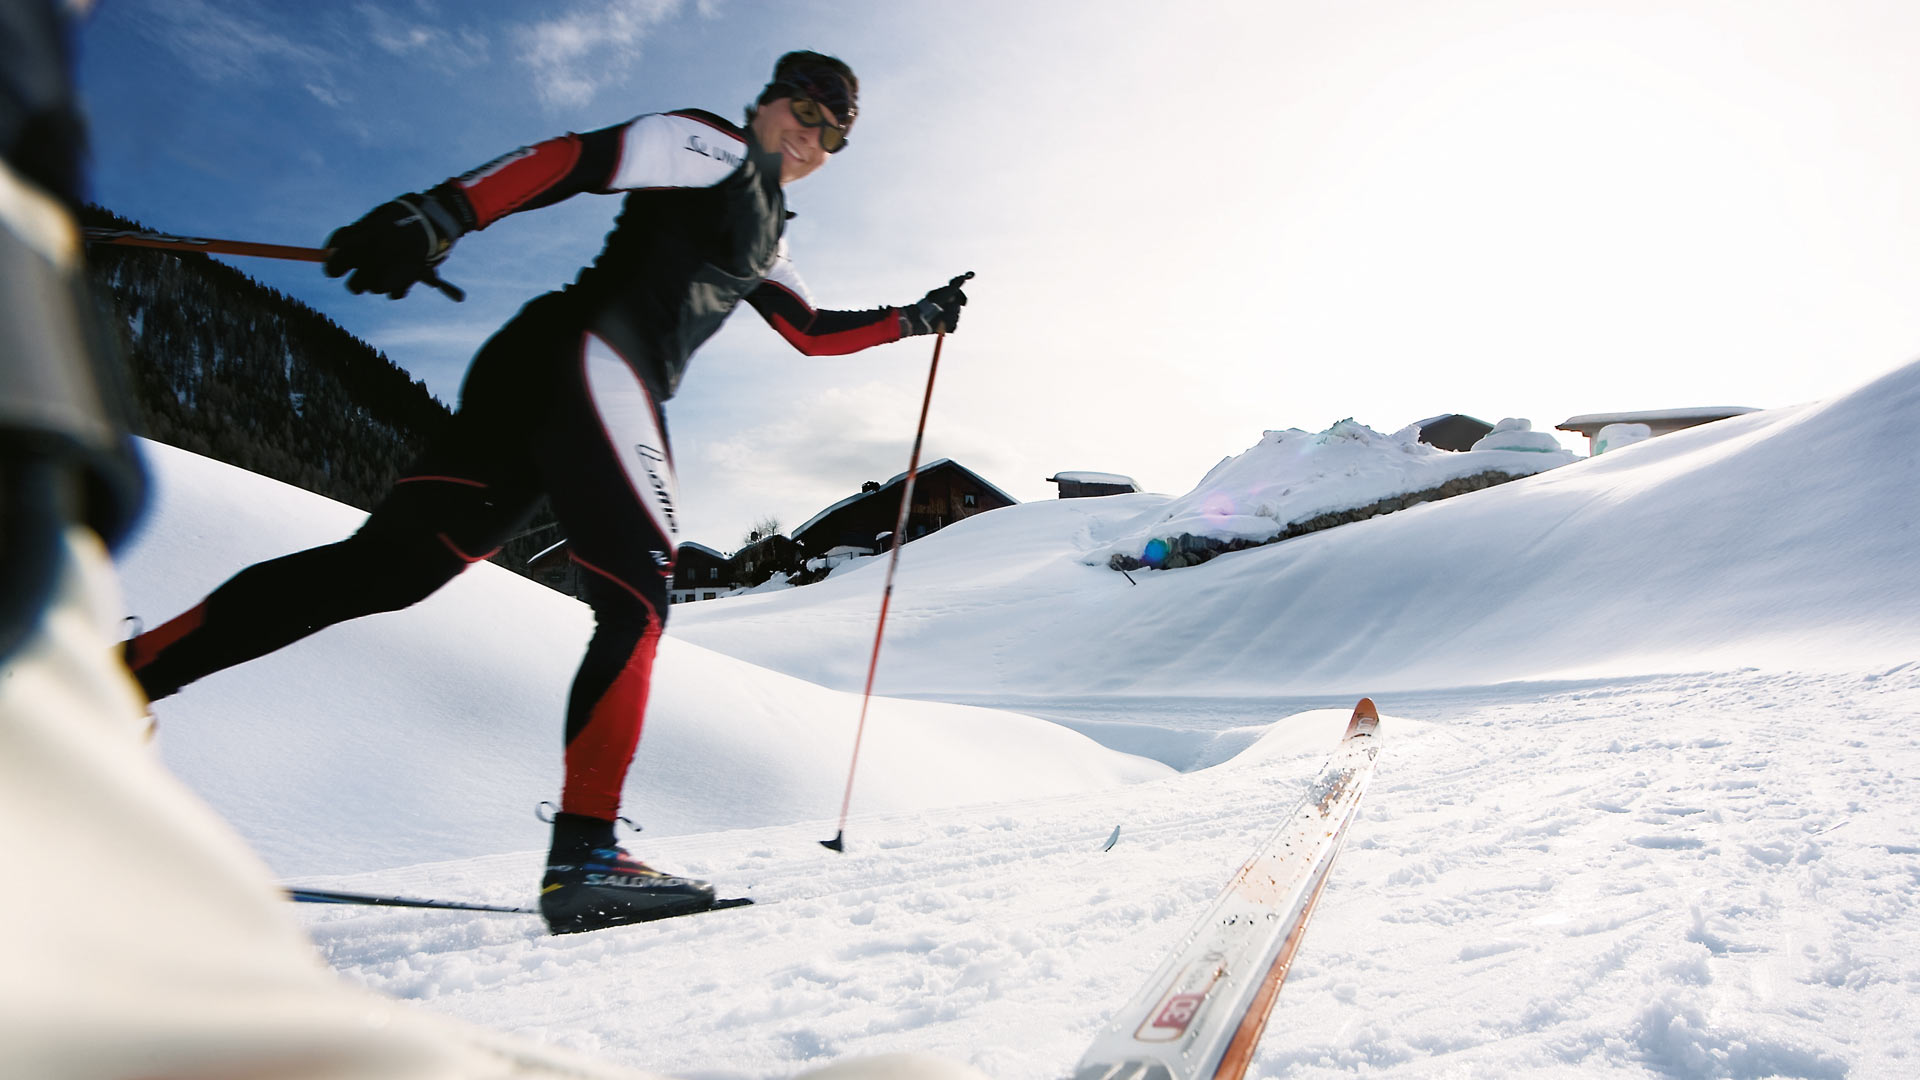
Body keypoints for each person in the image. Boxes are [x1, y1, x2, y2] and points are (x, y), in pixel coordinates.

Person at [122, 50, 970, 935]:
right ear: (765, 102)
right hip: (595, 361)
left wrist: (916, 318)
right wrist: (444, 212)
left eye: (834, 132)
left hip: (539, 371)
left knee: (389, 570)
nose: (812, 134)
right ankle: (588, 856)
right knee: (639, 603)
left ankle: (127, 681)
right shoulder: (707, 147)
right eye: (804, 108)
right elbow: (575, 158)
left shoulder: (770, 232)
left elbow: (811, 333)